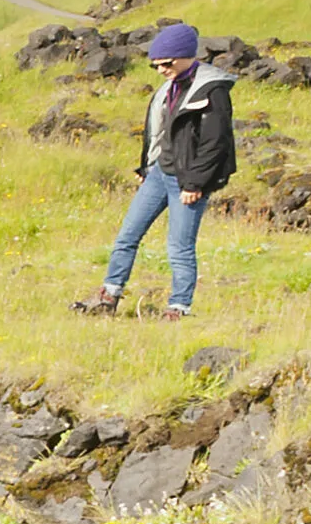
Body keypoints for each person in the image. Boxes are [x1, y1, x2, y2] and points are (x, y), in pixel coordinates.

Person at [72, 22, 235, 316]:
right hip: (160, 174)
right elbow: (159, 132)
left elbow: (216, 143)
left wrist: (195, 184)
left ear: (187, 56)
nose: (161, 70)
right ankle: (109, 295)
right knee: (127, 236)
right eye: (155, 66)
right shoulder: (168, 88)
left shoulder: (213, 90)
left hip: (188, 183)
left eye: (167, 63)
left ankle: (178, 308)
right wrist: (147, 166)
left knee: (179, 248)